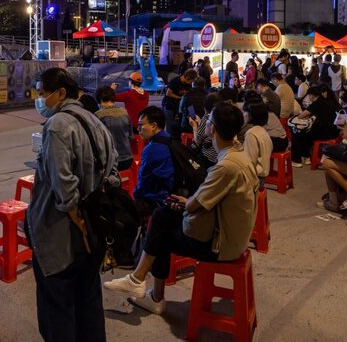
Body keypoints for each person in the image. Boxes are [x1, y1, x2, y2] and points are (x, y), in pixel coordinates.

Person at [103, 102, 257, 314]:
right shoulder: (239, 154)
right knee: (164, 214)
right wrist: (186, 202)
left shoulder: (226, 166)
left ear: (213, 128)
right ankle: (140, 282)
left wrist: (187, 203)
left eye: (208, 120)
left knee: (161, 231)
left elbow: (194, 205)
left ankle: (147, 288)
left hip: (222, 245)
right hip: (234, 235)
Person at [27, 67, 119, 341]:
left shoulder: (57, 125)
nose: (40, 100)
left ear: (60, 93)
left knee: (57, 309)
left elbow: (62, 181)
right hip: (94, 230)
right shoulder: (95, 120)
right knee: (88, 302)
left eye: (42, 94)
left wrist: (75, 214)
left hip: (62, 232)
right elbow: (113, 170)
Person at [134, 106, 176, 217]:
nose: (138, 129)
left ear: (153, 126)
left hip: (158, 201)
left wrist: (136, 195)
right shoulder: (169, 139)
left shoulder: (152, 148)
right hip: (172, 195)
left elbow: (143, 180)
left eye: (141, 125)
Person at [291, 85, 340, 167]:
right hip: (334, 131)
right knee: (308, 132)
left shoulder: (317, 103)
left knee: (297, 132)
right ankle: (306, 157)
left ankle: (295, 160)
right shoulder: (328, 101)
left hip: (326, 133)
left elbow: (301, 115)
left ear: (311, 95)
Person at [241, 100, 287, 178]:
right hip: (263, 172)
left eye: (245, 112)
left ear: (252, 114)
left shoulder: (251, 134)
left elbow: (249, 162)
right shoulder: (262, 130)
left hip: (255, 176)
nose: (243, 114)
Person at [95, 86, 134, 171]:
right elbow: (131, 136)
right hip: (127, 158)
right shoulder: (124, 112)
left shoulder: (98, 115)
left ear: (100, 100)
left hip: (110, 161)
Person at [162, 69, 198, 139]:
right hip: (169, 106)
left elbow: (188, 97)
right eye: (191, 80)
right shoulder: (175, 81)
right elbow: (168, 93)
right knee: (169, 127)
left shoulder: (188, 85)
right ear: (188, 77)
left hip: (178, 108)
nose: (191, 83)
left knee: (176, 127)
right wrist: (180, 98)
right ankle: (168, 141)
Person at [189, 93, 221, 165]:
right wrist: (200, 122)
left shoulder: (207, 118)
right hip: (219, 157)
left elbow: (197, 141)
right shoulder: (221, 116)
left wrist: (194, 127)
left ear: (205, 107)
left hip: (208, 158)